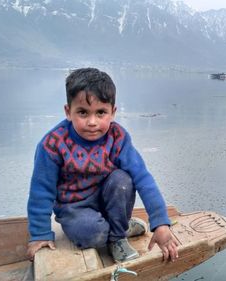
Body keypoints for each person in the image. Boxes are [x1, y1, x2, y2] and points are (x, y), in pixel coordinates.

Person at [26, 67, 178, 263]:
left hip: (109, 201)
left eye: (101, 113)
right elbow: (41, 190)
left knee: (123, 179)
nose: (92, 122)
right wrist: (40, 235)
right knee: (91, 234)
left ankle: (118, 237)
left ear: (113, 112)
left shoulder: (117, 137)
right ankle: (120, 226)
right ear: (68, 112)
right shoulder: (52, 144)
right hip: (74, 209)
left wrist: (160, 224)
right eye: (82, 112)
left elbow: (143, 177)